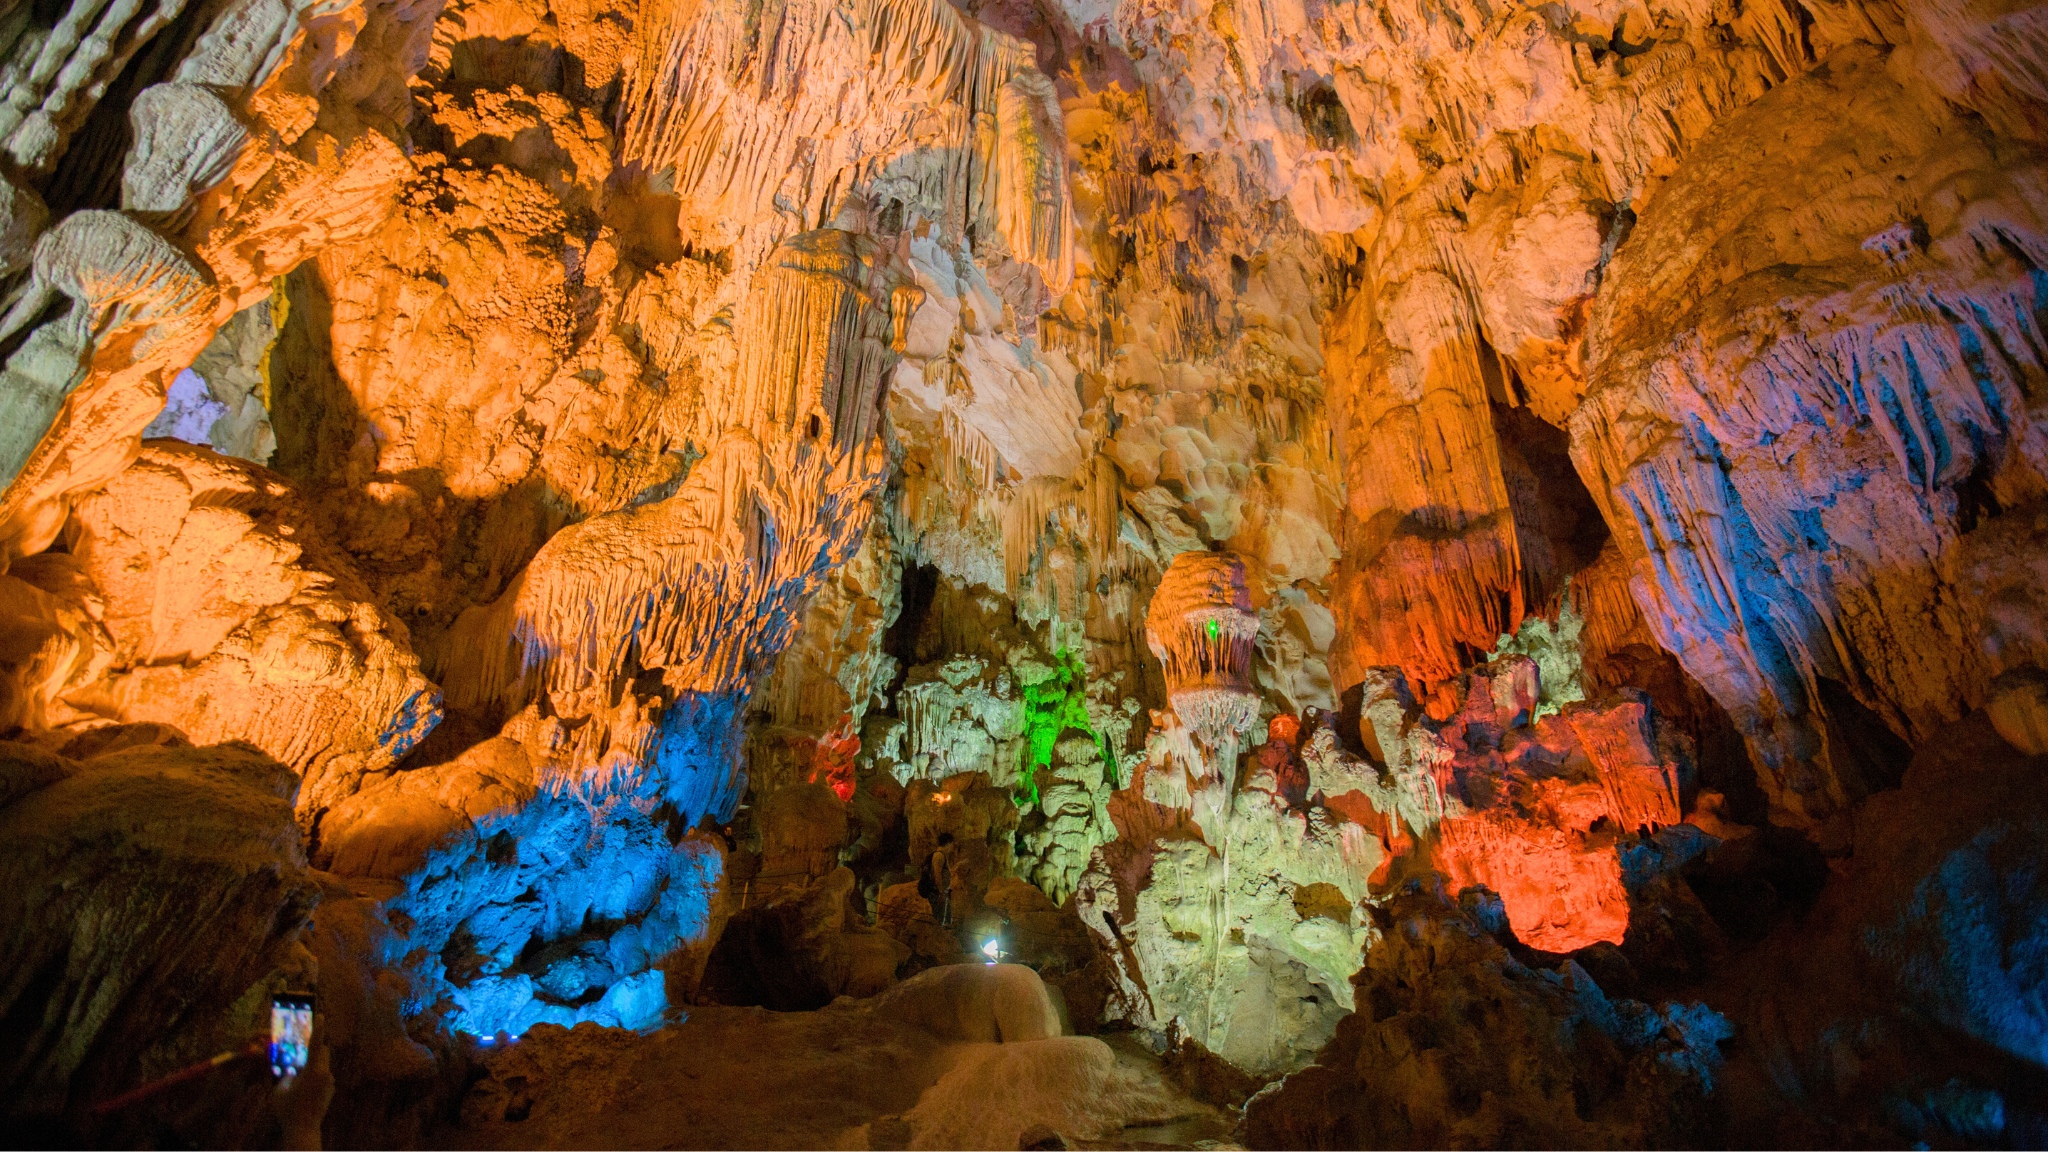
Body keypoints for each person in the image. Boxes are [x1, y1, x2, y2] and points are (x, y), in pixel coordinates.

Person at [927, 832, 956, 927]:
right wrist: (941, 892)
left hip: (943, 892)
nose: (952, 847)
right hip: (939, 893)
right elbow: (937, 874)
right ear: (948, 843)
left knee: (945, 917)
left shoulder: (941, 855)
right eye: (952, 844)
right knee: (939, 918)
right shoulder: (939, 856)